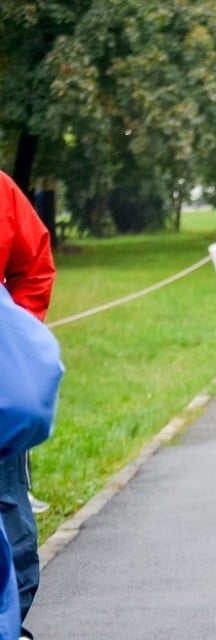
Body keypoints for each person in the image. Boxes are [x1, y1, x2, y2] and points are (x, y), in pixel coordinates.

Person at [0, 170, 57, 640]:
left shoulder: (0, 191)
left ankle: (11, 622)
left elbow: (34, 266)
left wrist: (12, 338)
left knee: (9, 508)